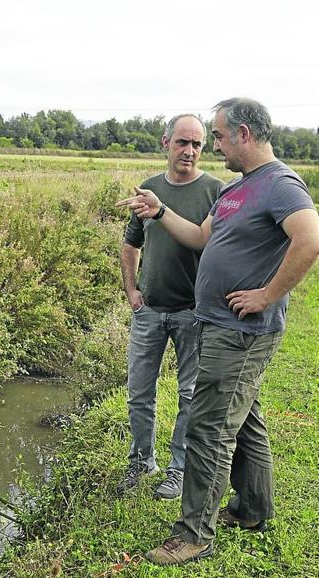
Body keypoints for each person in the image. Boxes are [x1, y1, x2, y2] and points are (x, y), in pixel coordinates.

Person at [116, 97, 319, 565]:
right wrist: (160, 210)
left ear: (244, 134)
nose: (215, 145)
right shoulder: (237, 189)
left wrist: (267, 295)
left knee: (210, 429)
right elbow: (201, 237)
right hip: (216, 326)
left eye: (220, 136)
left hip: (241, 331)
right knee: (244, 419)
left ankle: (193, 534)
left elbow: (309, 238)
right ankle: (252, 509)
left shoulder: (280, 184)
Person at [116, 114, 223, 499]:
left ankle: (178, 468)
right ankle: (141, 461)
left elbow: (215, 246)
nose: (190, 151)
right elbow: (131, 244)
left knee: (190, 394)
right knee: (138, 392)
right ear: (166, 143)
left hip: (193, 312)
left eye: (197, 144)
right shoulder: (147, 189)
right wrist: (132, 291)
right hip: (150, 311)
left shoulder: (216, 191)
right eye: (182, 142)